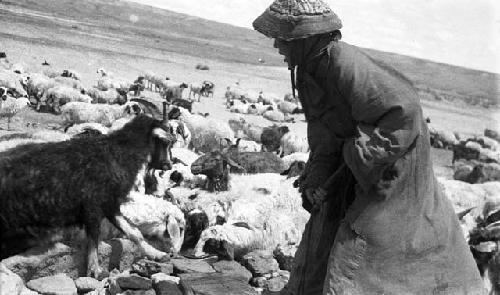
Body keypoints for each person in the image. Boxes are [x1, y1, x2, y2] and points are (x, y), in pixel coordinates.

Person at [252, 0, 484, 294]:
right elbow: (323, 132)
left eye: (282, 38)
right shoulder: (309, 71)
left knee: (368, 248)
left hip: (390, 168)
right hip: (352, 166)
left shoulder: (344, 63)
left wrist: (357, 154)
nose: (276, 45)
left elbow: (405, 112)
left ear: (305, 38)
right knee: (324, 234)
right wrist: (319, 175)